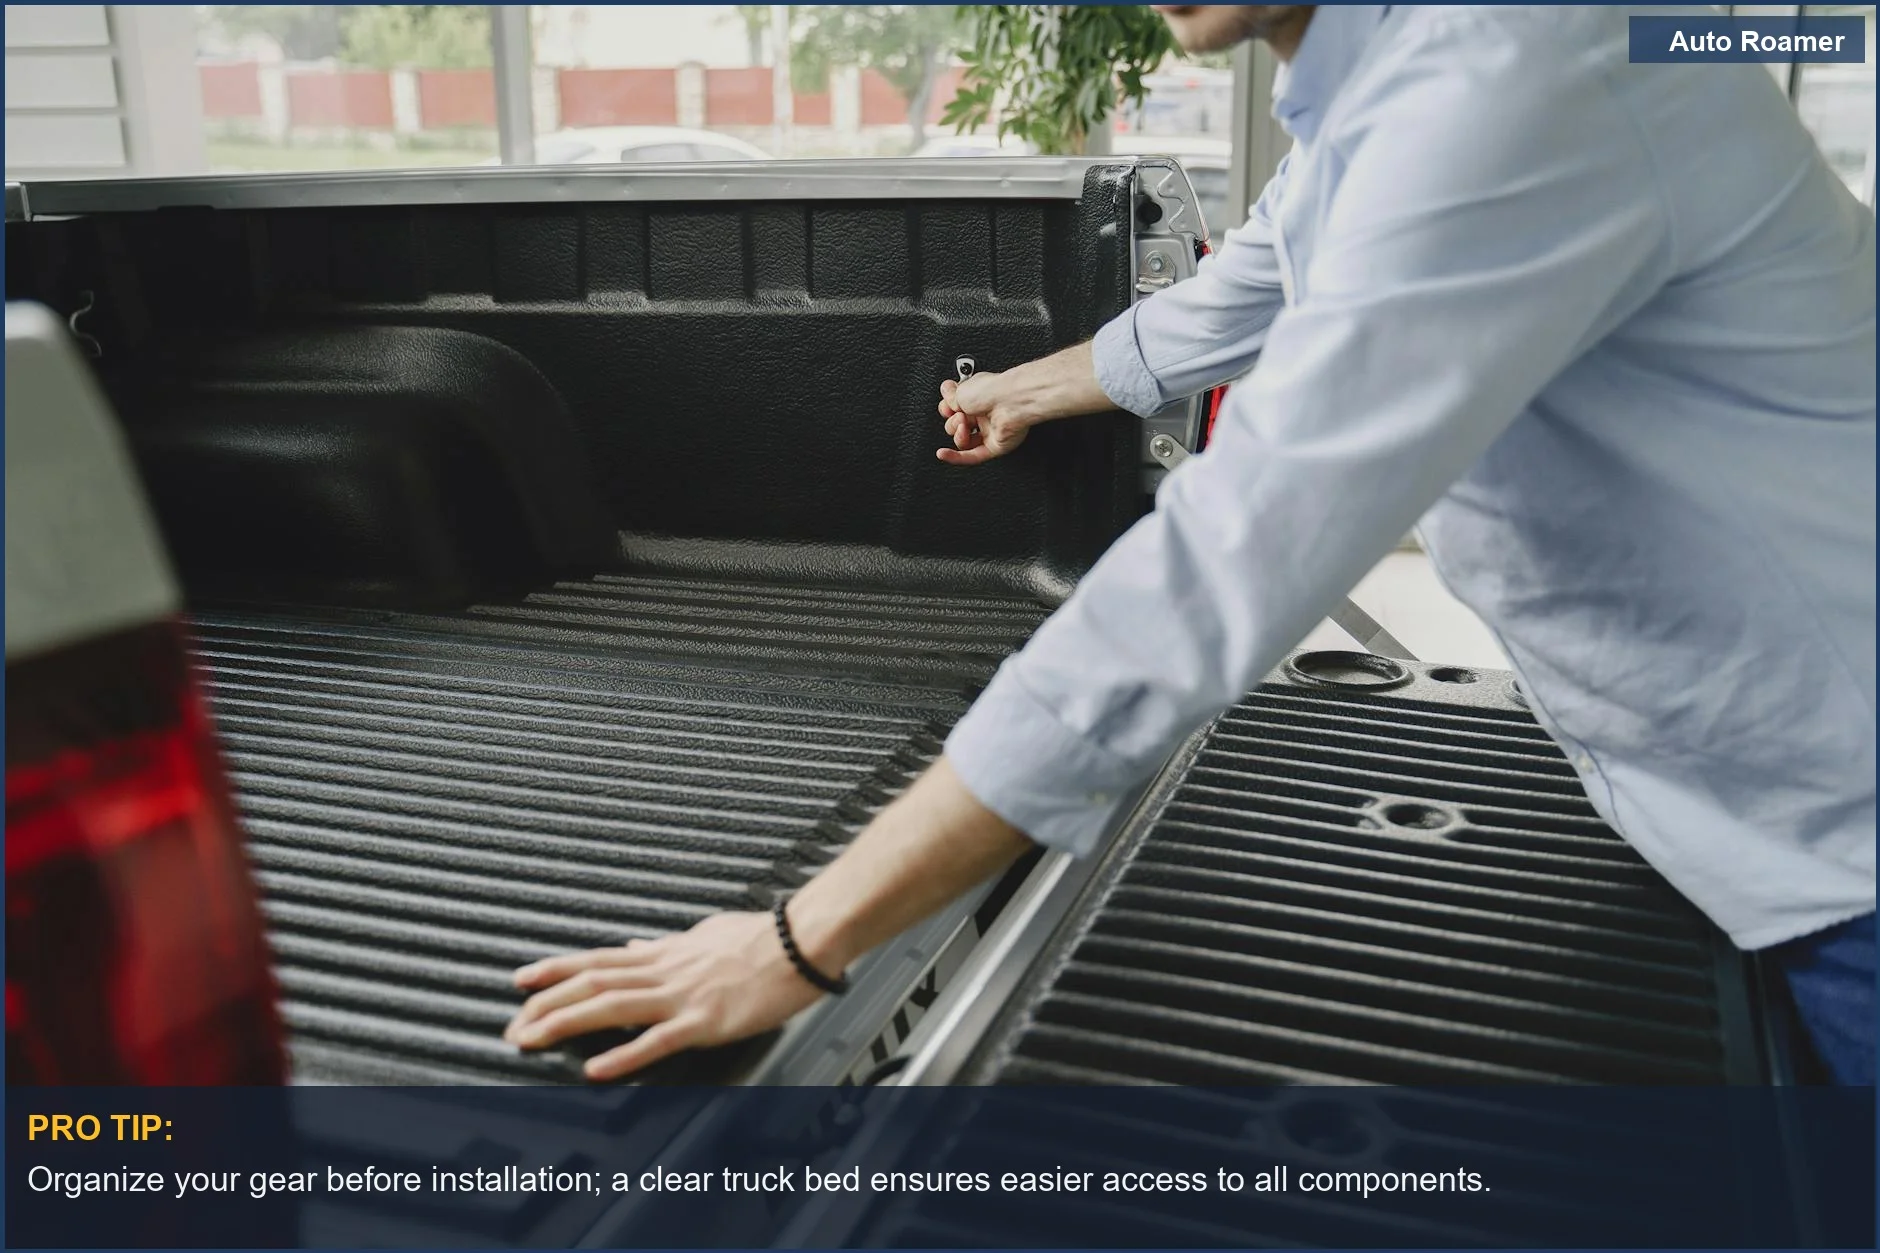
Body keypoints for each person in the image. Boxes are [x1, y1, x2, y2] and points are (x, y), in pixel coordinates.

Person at [504, 5, 1876, 1084]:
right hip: (1712, 805)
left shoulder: (1520, 70)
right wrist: (1017, 393)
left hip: (1843, 843)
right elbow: (1262, 280)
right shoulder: (1380, 83)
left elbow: (1237, 551)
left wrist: (805, 944)